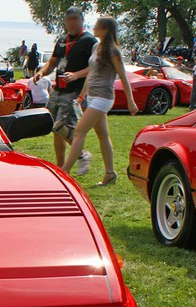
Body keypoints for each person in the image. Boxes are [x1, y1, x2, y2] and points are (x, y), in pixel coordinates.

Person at [61, 17, 136, 187]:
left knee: (79, 131)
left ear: (105, 30)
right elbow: (91, 73)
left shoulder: (113, 51)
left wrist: (131, 101)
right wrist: (82, 96)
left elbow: (123, 77)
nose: (93, 28)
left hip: (104, 97)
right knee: (103, 135)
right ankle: (110, 174)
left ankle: (65, 172)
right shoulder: (96, 47)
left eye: (97, 26)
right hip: (93, 96)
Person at [33, 6, 96, 173]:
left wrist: (76, 75)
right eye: (69, 20)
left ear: (82, 20)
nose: (72, 23)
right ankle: (60, 167)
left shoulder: (89, 41)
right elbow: (53, 62)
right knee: (53, 128)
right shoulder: (62, 40)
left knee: (61, 126)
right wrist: (42, 72)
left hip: (74, 92)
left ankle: (82, 154)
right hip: (58, 90)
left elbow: (95, 67)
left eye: (75, 19)